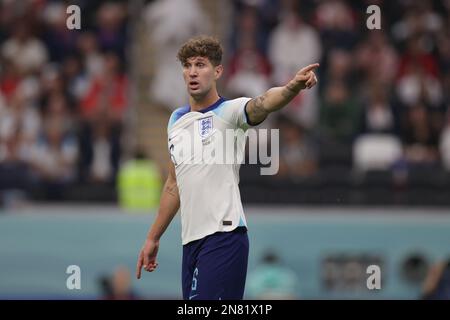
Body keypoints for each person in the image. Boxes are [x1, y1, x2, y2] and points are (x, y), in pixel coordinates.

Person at [135, 35, 318, 300]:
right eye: (187, 66)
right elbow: (174, 183)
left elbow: (264, 102)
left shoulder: (230, 112)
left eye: (200, 64)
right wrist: (153, 237)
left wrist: (291, 87)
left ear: (218, 71)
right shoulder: (175, 120)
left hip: (224, 235)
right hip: (192, 243)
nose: (193, 72)